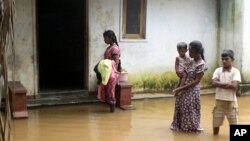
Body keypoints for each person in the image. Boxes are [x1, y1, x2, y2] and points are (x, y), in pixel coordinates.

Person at [171, 40, 206, 132]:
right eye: (189, 51)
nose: (188, 53)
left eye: (191, 51)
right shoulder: (192, 61)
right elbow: (183, 72)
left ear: (197, 52)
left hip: (191, 91)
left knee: (189, 109)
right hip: (183, 89)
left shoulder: (201, 64)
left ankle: (190, 128)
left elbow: (196, 81)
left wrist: (180, 88)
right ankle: (180, 127)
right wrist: (179, 76)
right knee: (181, 107)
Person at [212, 49, 241, 135]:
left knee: (234, 125)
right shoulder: (218, 70)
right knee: (215, 125)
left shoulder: (236, 71)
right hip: (219, 101)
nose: (224, 61)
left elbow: (234, 86)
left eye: (226, 59)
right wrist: (228, 84)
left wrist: (219, 83)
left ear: (232, 60)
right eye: (222, 59)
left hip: (231, 102)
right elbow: (214, 83)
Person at [96, 30, 121, 112]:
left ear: (110, 38)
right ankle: (110, 111)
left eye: (105, 38)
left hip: (112, 74)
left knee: (111, 92)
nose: (104, 40)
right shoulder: (109, 47)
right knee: (107, 91)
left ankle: (112, 112)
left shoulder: (115, 48)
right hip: (107, 72)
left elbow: (116, 62)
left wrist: (105, 63)